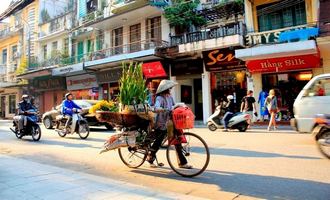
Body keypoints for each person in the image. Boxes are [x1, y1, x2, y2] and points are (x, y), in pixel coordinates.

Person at [147, 80, 192, 169]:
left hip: (171, 121)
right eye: (169, 88)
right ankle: (150, 157)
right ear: (165, 89)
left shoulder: (170, 97)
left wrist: (180, 106)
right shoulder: (160, 98)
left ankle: (182, 163)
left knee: (177, 140)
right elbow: (156, 107)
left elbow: (174, 106)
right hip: (161, 123)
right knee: (159, 141)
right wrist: (162, 109)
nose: (170, 89)